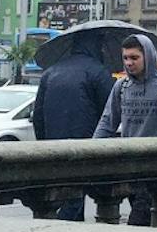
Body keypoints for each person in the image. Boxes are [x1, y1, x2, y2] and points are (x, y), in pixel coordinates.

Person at [94, 35, 157, 226]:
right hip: (130, 168)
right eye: (126, 58)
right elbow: (107, 124)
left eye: (134, 58)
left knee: (139, 222)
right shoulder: (121, 87)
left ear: (147, 57)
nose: (129, 63)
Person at [33, 29, 116, 220]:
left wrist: (43, 143)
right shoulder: (98, 72)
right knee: (75, 197)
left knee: (61, 195)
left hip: (53, 147)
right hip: (85, 146)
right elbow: (112, 112)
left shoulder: (50, 72)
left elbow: (38, 115)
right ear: (96, 46)